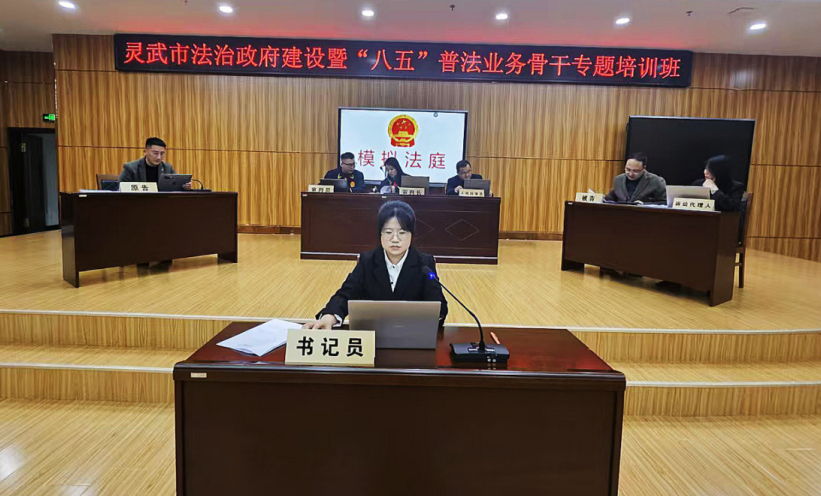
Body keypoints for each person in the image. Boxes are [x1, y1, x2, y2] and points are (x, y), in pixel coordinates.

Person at [304, 200, 448, 329]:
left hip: (413, 336)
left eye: (402, 232)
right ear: (380, 234)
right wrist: (330, 316)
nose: (395, 239)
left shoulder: (425, 265)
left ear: (412, 234)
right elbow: (345, 294)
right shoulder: (367, 261)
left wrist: (433, 317)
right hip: (372, 337)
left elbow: (439, 306)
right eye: (388, 232)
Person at [119, 137, 191, 189]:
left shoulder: (167, 168)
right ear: (146, 151)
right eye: (155, 153)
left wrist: (184, 186)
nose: (159, 157)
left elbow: (176, 186)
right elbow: (121, 188)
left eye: (162, 153)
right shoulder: (130, 168)